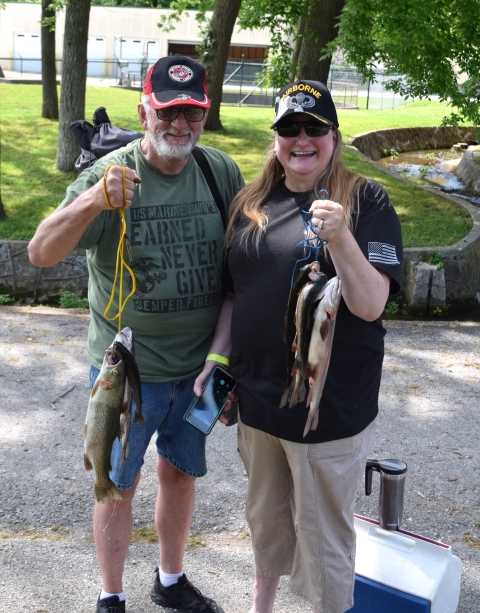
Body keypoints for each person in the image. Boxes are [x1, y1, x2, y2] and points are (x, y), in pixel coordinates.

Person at [28, 55, 243, 613]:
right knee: (116, 485)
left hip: (196, 372)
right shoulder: (111, 176)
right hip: (125, 376)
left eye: (191, 112)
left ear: (204, 112)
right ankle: (111, 594)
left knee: (179, 477)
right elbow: (41, 253)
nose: (180, 124)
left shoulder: (220, 172)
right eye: (168, 111)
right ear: (145, 110)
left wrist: (222, 358)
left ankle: (169, 581)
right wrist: (94, 199)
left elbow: (239, 277)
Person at [194, 80, 403, 612]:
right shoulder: (252, 203)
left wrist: (340, 239)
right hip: (258, 407)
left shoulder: (366, 200)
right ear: (276, 138)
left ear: (334, 136)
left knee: (324, 543)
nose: (301, 139)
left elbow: (372, 304)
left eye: (314, 128)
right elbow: (237, 294)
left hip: (326, 415)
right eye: (289, 128)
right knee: (266, 525)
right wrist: (219, 357)